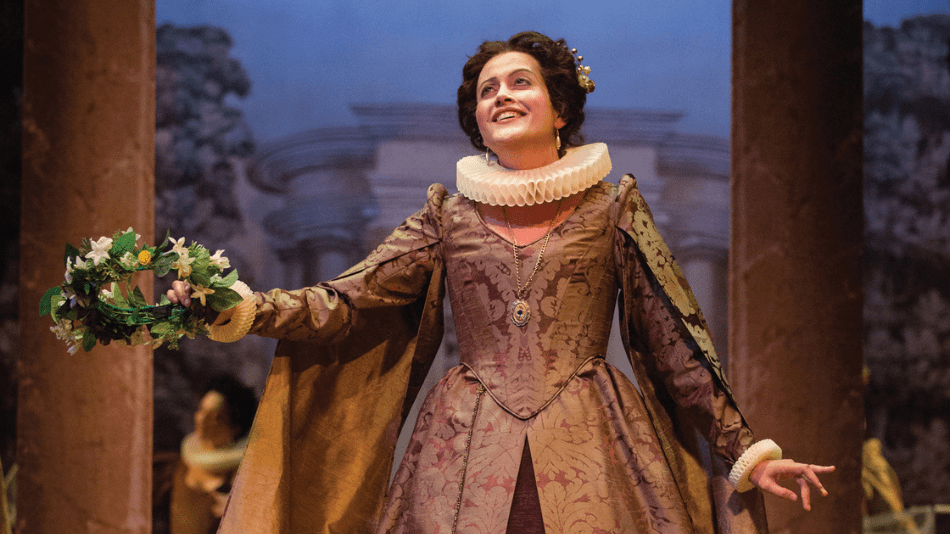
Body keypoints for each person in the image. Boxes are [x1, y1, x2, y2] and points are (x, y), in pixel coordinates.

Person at [169, 31, 833, 533]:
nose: (502, 96)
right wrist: (247, 307)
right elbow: (350, 298)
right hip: (460, 444)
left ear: (560, 108)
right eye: (488, 90)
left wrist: (746, 450)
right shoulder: (446, 215)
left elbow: (674, 341)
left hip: (593, 440)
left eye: (520, 83)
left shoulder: (612, 206)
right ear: (477, 119)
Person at [169, 376, 257, 534]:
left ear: (235, 428)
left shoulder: (247, 480)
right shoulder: (177, 467)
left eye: (217, 417)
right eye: (202, 410)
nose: (203, 419)